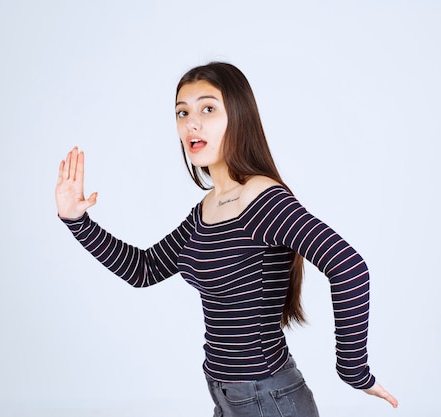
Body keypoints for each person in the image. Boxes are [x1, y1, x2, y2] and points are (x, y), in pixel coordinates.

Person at [55, 62, 398, 416]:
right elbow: (143, 270)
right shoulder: (205, 210)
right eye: (182, 112)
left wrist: (353, 370)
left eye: (208, 109)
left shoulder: (263, 200)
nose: (191, 122)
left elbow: (349, 267)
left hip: (268, 399)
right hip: (227, 397)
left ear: (239, 116)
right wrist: (76, 219)